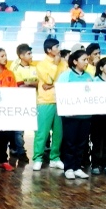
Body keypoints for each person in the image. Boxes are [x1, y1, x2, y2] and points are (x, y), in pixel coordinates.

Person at [57, 49, 93, 180]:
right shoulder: (66, 75)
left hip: (85, 116)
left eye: (87, 60)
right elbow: (60, 93)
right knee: (70, 142)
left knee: (82, 143)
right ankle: (69, 168)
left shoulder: (89, 76)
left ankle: (78, 167)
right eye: (83, 59)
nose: (86, 62)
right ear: (75, 61)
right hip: (70, 116)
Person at [32, 38, 67, 171]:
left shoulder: (63, 63)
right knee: (42, 132)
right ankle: (37, 158)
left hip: (61, 100)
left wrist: (52, 84)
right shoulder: (41, 65)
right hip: (45, 101)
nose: (58, 48)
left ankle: (55, 158)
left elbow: (64, 80)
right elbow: (48, 79)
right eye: (56, 46)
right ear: (48, 50)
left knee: (59, 133)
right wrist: (54, 65)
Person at [10, 44, 37, 163]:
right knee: (19, 131)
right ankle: (20, 151)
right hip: (20, 103)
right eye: (29, 54)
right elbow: (20, 86)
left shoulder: (34, 69)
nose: (31, 56)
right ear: (21, 56)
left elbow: (39, 84)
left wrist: (28, 83)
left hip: (34, 103)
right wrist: (32, 84)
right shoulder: (16, 70)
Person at [0, 48, 17, 172]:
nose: (5, 57)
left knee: (5, 137)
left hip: (5, 111)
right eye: (2, 55)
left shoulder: (10, 73)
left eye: (6, 55)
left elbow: (14, 91)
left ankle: (3, 160)